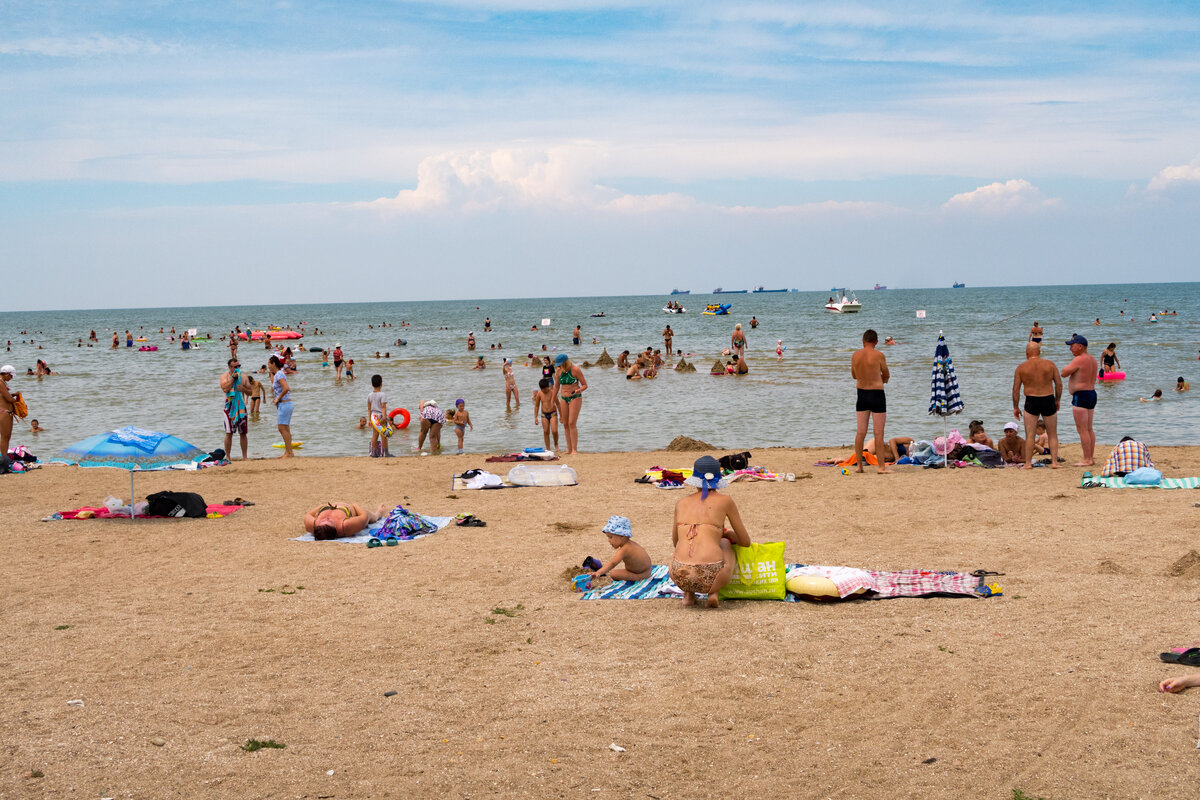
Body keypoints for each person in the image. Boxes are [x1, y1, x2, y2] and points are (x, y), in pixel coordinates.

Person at [670, 455, 752, 608]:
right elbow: (745, 542)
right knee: (724, 543)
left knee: (682, 547)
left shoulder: (680, 503)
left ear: (695, 480)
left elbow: (676, 542)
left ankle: (688, 595)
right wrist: (727, 535)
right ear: (718, 479)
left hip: (679, 575)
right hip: (711, 576)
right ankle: (714, 592)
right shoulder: (725, 501)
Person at [1012, 341, 1062, 469]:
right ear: (1039, 352)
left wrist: (1015, 407)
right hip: (1048, 398)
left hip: (1031, 400)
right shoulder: (1050, 365)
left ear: (1026, 353)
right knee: (1052, 434)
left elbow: (1016, 389)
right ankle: (1055, 462)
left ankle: (1028, 463)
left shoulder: (1021, 367)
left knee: (1030, 434)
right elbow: (1058, 384)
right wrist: (1057, 400)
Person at [851, 329, 890, 474]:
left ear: (863, 340)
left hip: (861, 394)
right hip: (877, 394)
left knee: (861, 432)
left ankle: (859, 466)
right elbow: (886, 374)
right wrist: (882, 379)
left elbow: (854, 375)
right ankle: (881, 467)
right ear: (876, 342)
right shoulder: (879, 355)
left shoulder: (855, 355)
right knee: (878, 433)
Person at [1062, 334, 1098, 466]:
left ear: (1081, 346)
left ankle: (1087, 459)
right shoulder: (1092, 359)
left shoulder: (1079, 359)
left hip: (1081, 396)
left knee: (1082, 429)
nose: (1070, 348)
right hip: (1091, 394)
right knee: (1088, 429)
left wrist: (1066, 368)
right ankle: (1090, 457)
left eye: (1072, 345)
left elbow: (1064, 373)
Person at [588, 515, 652, 582]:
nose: (609, 540)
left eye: (610, 537)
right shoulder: (631, 544)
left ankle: (637, 578)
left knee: (614, 573)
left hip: (641, 575)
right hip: (647, 571)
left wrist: (598, 573)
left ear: (621, 535)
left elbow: (612, 563)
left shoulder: (624, 550)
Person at [554, 353, 587, 455]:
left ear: (565, 362)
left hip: (575, 397)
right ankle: (568, 449)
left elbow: (585, 385)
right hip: (563, 398)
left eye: (560, 364)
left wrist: (578, 390)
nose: (559, 366)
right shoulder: (559, 371)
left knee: (572, 422)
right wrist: (552, 400)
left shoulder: (575, 370)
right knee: (565, 423)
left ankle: (574, 449)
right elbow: (556, 387)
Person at [304, 502, 387, 540]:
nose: (326, 518)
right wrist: (356, 506)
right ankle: (379, 514)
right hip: (350, 510)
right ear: (335, 528)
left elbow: (308, 515)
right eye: (329, 521)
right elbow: (364, 517)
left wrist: (322, 506)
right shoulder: (345, 526)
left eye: (323, 520)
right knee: (371, 517)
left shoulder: (313, 525)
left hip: (327, 506)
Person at [220, 357, 250, 460]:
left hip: (241, 407)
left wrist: (243, 389)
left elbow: (251, 392)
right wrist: (233, 378)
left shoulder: (244, 377)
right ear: (229, 367)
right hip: (229, 406)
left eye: (239, 366)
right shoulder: (224, 377)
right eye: (235, 367)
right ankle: (228, 456)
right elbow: (225, 389)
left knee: (243, 432)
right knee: (229, 433)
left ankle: (244, 457)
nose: (237, 368)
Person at [269, 355, 294, 457]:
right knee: (285, 428)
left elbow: (286, 388)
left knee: (282, 428)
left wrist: (278, 398)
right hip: (284, 404)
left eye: (269, 364)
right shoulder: (277, 374)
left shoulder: (279, 374)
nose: (268, 366)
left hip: (284, 403)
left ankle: (289, 452)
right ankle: (288, 452)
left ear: (273, 363)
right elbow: (274, 385)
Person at [532, 378, 560, 451]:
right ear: (540, 388)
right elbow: (537, 406)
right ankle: (548, 449)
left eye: (545, 389)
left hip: (553, 413)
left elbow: (558, 404)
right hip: (544, 414)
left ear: (548, 386)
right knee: (546, 431)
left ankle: (556, 444)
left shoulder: (552, 392)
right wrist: (535, 417)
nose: (544, 391)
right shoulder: (539, 394)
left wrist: (562, 416)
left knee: (554, 431)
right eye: (542, 389)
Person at [366, 374, 390, 457]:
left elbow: (369, 409)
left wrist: (369, 420)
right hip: (380, 416)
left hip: (373, 417)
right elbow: (383, 407)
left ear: (372, 384)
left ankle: (374, 453)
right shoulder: (382, 395)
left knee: (374, 435)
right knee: (384, 435)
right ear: (381, 384)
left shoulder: (369, 395)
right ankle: (386, 453)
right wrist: (384, 417)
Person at [0, 365, 16, 456]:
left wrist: (14, 395)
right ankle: (4, 459)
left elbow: (4, 397)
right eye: (11, 375)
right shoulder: (0, 383)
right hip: (3, 412)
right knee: (5, 438)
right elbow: (8, 399)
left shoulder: (3, 383)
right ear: (6, 374)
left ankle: (4, 458)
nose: (12, 377)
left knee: (6, 437)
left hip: (6, 412)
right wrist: (18, 401)